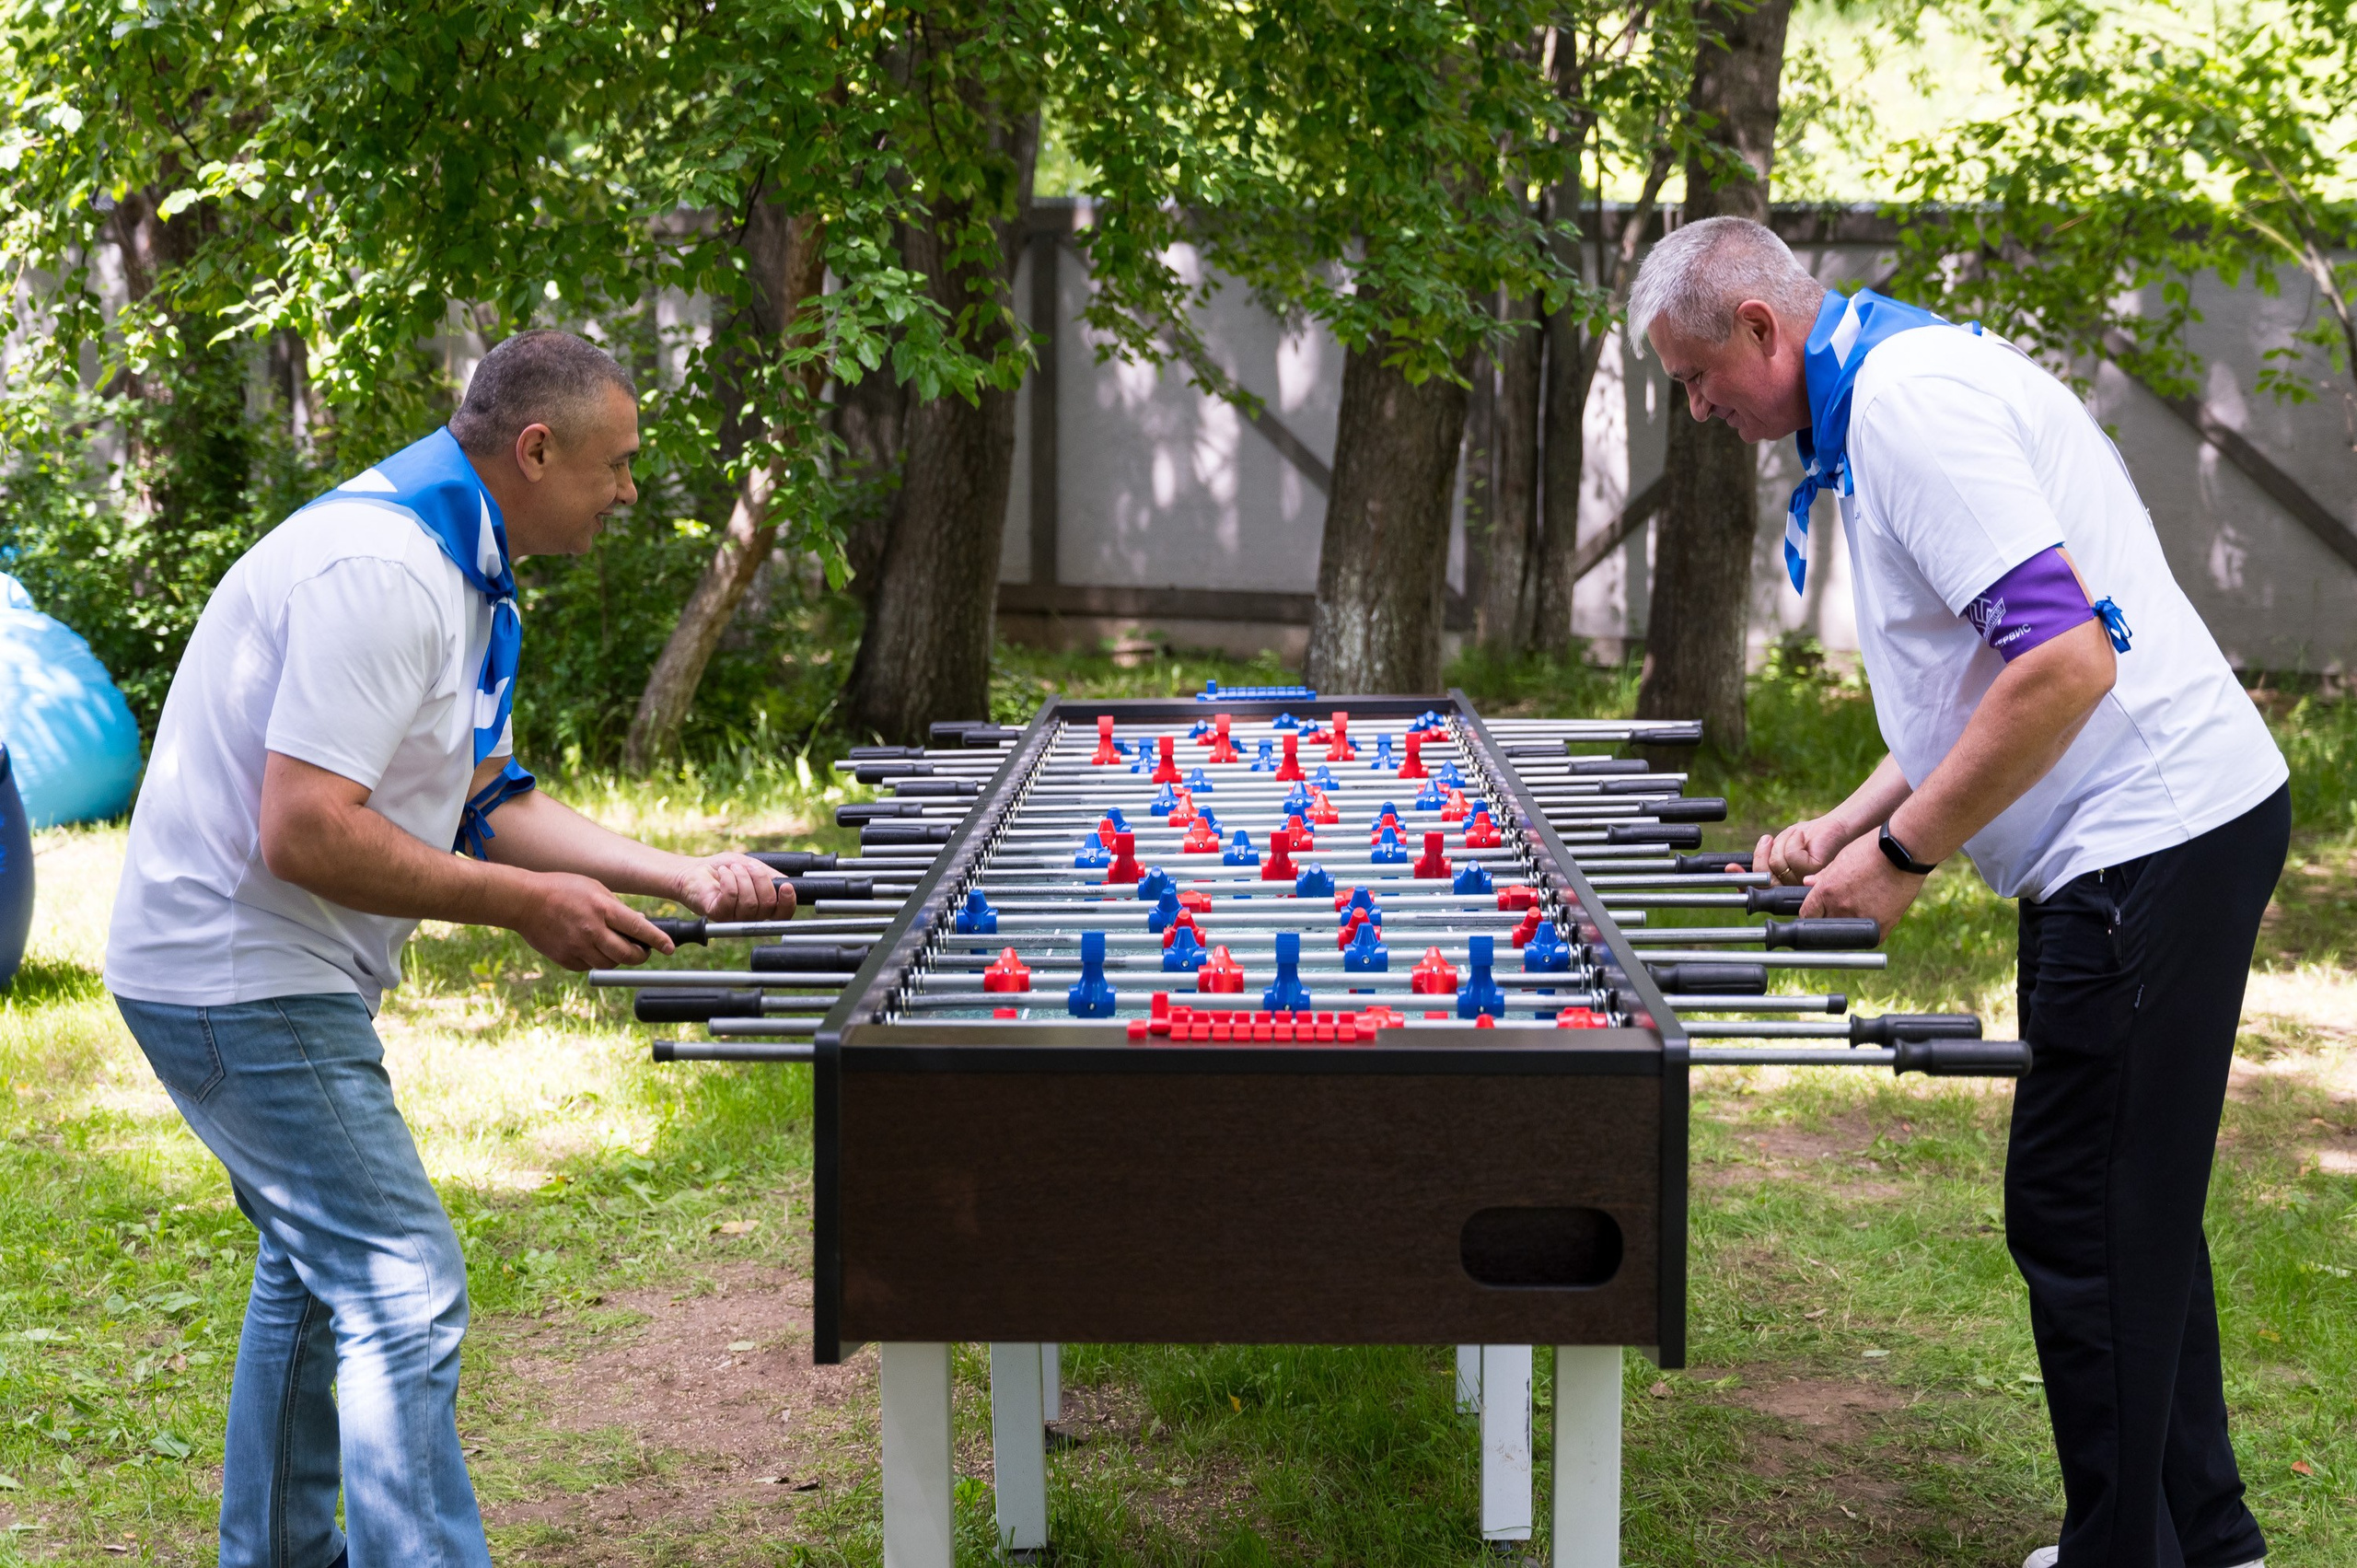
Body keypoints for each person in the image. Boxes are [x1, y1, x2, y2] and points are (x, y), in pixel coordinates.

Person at [1627, 218, 2286, 1568]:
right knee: (2128, 1199)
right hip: (2153, 831)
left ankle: (2128, 1553)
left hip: (2153, 833)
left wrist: (1906, 858)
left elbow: (2066, 665)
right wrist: (1852, 817)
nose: (1699, 411)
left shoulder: (1909, 410)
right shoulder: (1889, 385)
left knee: (2079, 1205)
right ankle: (2202, 1537)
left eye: (1699, 378)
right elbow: (1981, 670)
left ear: (1762, 329)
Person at [104, 330, 786, 1568]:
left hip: (260, 965)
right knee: (401, 1284)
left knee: (321, 1282)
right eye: (617, 465)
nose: (628, 491)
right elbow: (305, 832)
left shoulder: (453, 559)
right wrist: (526, 907)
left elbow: (489, 796)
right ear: (536, 450)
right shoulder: (387, 571)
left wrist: (676, 870)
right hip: (236, 972)